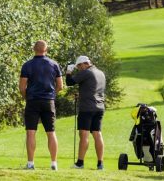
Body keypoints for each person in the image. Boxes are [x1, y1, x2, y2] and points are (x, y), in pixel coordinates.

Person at [19, 40, 64, 170]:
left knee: (31, 132)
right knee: (51, 132)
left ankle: (30, 163)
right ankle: (54, 163)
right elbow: (60, 85)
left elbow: (22, 87)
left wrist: (27, 97)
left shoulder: (27, 65)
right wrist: (52, 95)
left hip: (32, 100)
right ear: (46, 50)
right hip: (48, 101)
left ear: (34, 49)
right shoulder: (54, 64)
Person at [65, 55, 106, 170]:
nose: (79, 69)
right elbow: (93, 89)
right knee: (97, 134)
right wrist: (82, 94)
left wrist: (68, 72)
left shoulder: (86, 72)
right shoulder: (100, 73)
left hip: (87, 108)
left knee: (84, 134)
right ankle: (100, 164)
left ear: (84, 64)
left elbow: (69, 82)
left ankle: (80, 163)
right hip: (99, 108)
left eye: (79, 67)